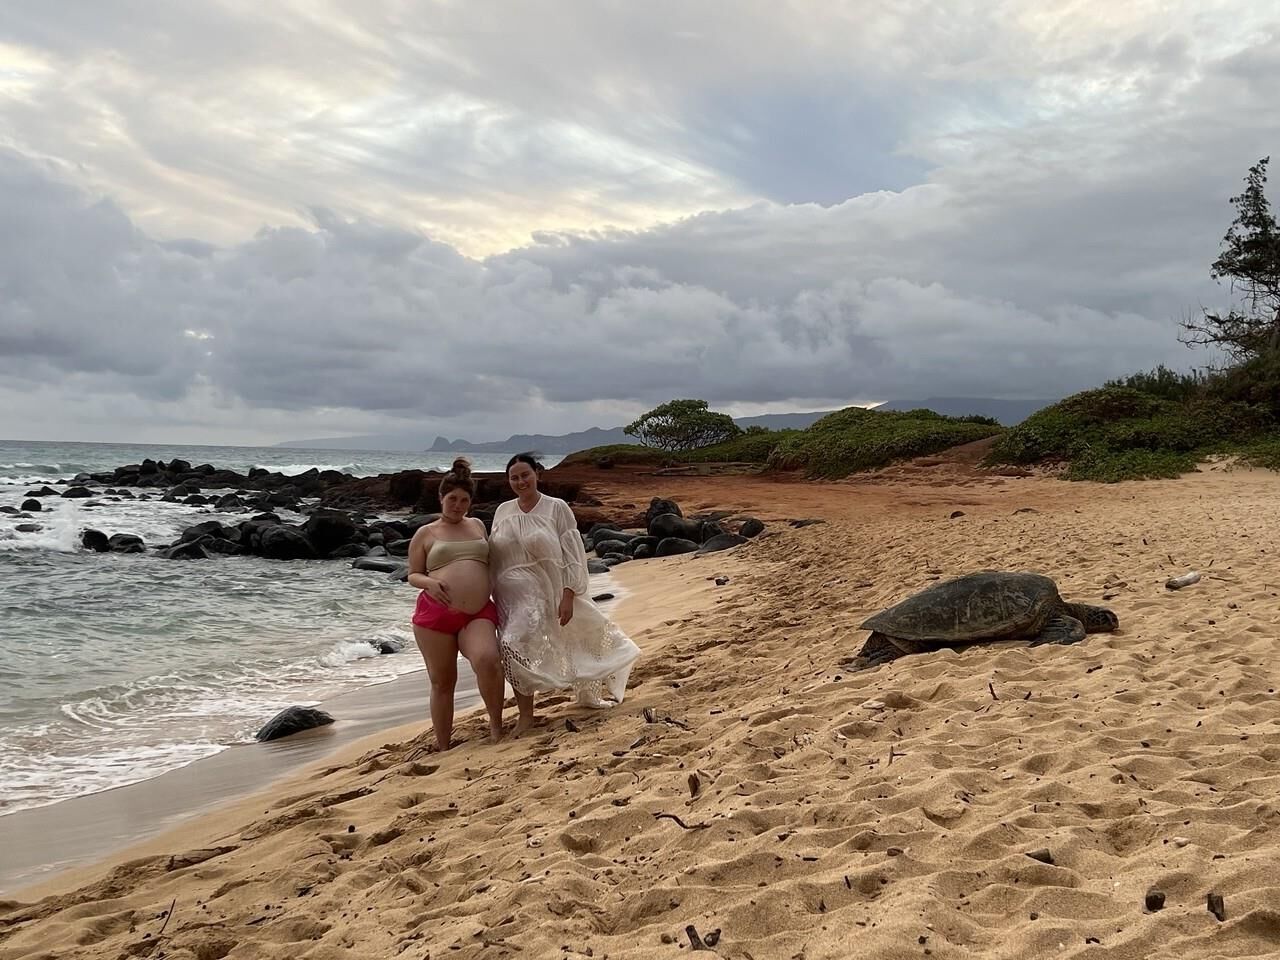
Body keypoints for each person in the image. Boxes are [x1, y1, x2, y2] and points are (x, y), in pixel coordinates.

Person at [489, 451, 642, 735]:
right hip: (510, 598)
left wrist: (569, 594)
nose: (520, 481)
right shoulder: (502, 511)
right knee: (514, 648)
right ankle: (527, 713)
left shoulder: (555, 507)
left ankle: (542, 709)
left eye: (525, 475)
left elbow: (573, 554)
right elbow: (493, 556)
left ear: (538, 474)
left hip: (549, 590)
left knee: (532, 643)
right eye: (514, 477)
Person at [406, 457, 506, 749]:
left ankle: (497, 729)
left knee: (488, 660)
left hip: (477, 612)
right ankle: (443, 745)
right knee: (442, 682)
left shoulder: (477, 526)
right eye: (452, 499)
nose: (458, 505)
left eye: (464, 499)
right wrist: (430, 583)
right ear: (441, 498)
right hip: (436, 616)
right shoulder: (426, 533)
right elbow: (413, 574)